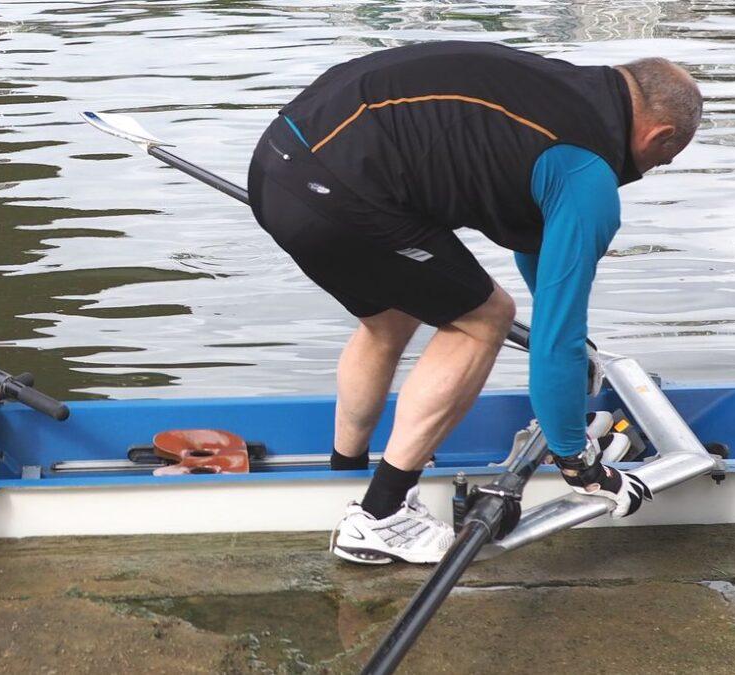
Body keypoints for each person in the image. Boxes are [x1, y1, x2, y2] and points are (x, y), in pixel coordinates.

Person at [248, 41, 702, 564]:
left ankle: (346, 472)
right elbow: (554, 336)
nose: (654, 167)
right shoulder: (587, 173)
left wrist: (575, 350)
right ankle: (379, 517)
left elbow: (540, 256)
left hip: (277, 163)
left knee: (390, 319)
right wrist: (580, 465)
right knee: (485, 320)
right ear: (660, 135)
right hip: (340, 188)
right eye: (664, 159)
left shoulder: (558, 89)